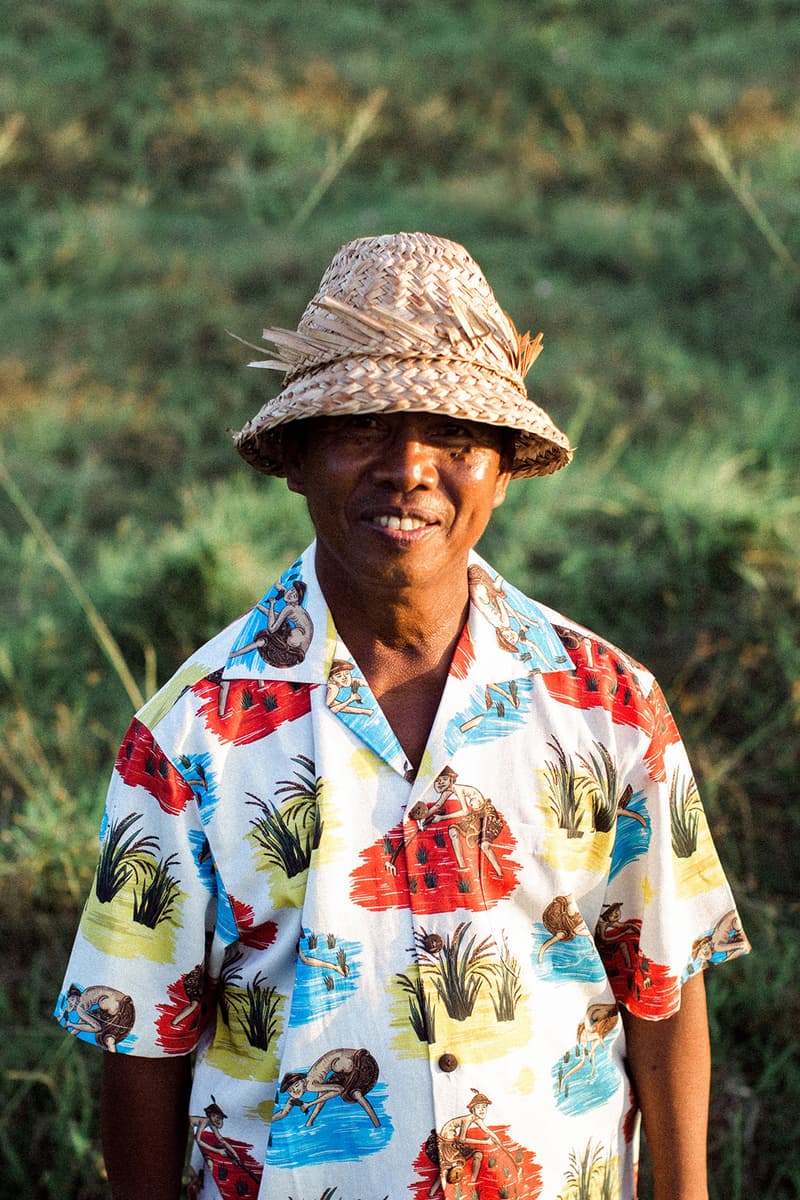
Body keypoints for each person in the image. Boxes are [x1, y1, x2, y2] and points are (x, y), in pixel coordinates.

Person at [56, 232, 749, 1200]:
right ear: (295, 457)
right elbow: (143, 1043)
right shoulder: (188, 738)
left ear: (504, 469)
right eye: (363, 426)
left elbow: (663, 993)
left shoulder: (608, 707)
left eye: (452, 434)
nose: (409, 466)